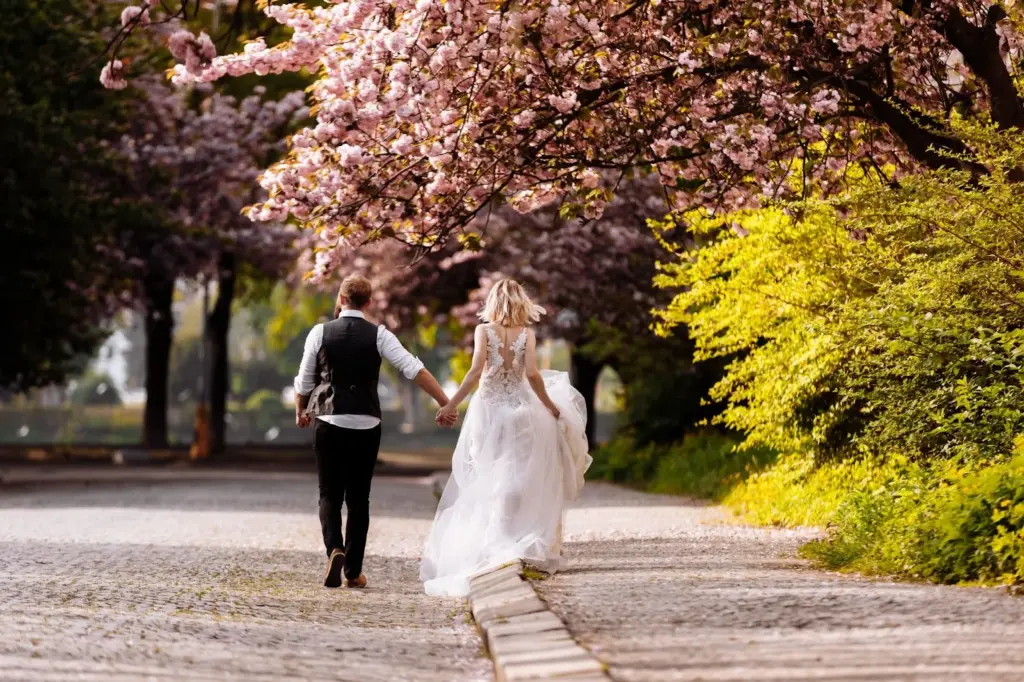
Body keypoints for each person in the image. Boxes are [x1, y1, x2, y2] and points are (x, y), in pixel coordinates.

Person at [420, 279, 592, 597]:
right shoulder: (526, 334)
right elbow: (533, 376)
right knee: (519, 472)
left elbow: (474, 372)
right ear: (520, 302)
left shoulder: (484, 332)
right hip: (521, 410)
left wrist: (450, 404)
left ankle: (492, 537)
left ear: (494, 302)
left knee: (488, 472)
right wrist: (551, 407)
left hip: (488, 411)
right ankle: (515, 535)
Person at [294, 275, 451, 588]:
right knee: (359, 498)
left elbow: (304, 380)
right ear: (368, 303)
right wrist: (446, 402)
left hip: (329, 420)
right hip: (367, 423)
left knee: (329, 493)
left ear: (340, 299)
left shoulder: (319, 333)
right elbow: (414, 369)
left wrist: (301, 410)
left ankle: (334, 550)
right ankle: (353, 571)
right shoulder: (380, 335)